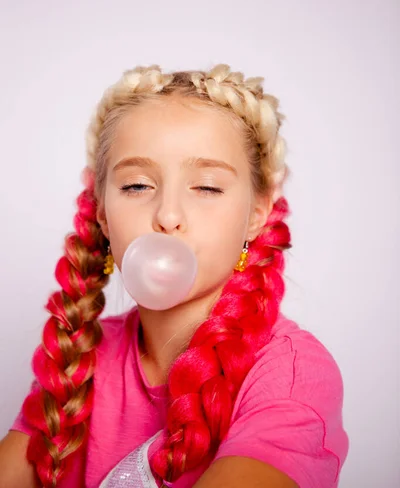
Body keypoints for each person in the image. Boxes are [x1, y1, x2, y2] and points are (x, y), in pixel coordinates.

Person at [0, 64, 349, 487]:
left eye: (206, 187)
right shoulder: (79, 358)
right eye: (137, 186)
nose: (167, 216)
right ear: (103, 212)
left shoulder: (288, 375)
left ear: (256, 214)